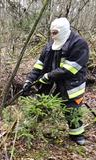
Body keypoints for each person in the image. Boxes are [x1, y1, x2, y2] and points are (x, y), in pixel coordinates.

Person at [23, 17, 89, 145]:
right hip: (51, 83)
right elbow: (39, 65)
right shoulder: (50, 45)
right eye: (51, 33)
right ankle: (28, 127)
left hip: (70, 85)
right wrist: (29, 80)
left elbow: (70, 69)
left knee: (72, 109)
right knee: (40, 104)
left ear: (63, 31)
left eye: (55, 33)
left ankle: (77, 135)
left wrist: (48, 76)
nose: (52, 36)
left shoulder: (79, 44)